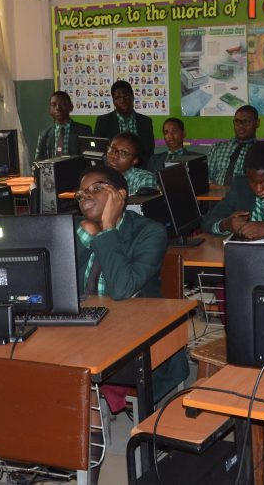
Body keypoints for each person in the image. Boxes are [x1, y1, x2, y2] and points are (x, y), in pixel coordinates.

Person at [74, 164, 188, 402]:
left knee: (76, 372)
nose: (86, 196)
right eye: (82, 193)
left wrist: (107, 229)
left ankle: (89, 415)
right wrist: (86, 236)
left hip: (135, 333)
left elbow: (122, 289)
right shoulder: (75, 228)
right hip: (84, 328)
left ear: (120, 195)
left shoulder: (149, 232)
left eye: (96, 188)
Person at [94, 80, 155, 167]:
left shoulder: (145, 121)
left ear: (133, 97)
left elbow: (149, 151)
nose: (122, 100)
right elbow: (100, 151)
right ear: (113, 101)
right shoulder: (103, 121)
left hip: (139, 168)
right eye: (118, 97)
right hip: (112, 168)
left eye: (126, 96)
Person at [33, 91, 92, 162]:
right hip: (53, 169)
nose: (58, 108)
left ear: (71, 107)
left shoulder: (84, 131)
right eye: (54, 105)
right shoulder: (44, 135)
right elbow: (37, 163)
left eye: (63, 104)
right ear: (50, 110)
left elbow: (90, 160)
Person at [206, 105, 259, 185]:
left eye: (246, 121)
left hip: (243, 192)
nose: (241, 126)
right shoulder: (218, 147)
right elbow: (206, 175)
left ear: (257, 123)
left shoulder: (261, 151)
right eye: (237, 122)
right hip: (216, 192)